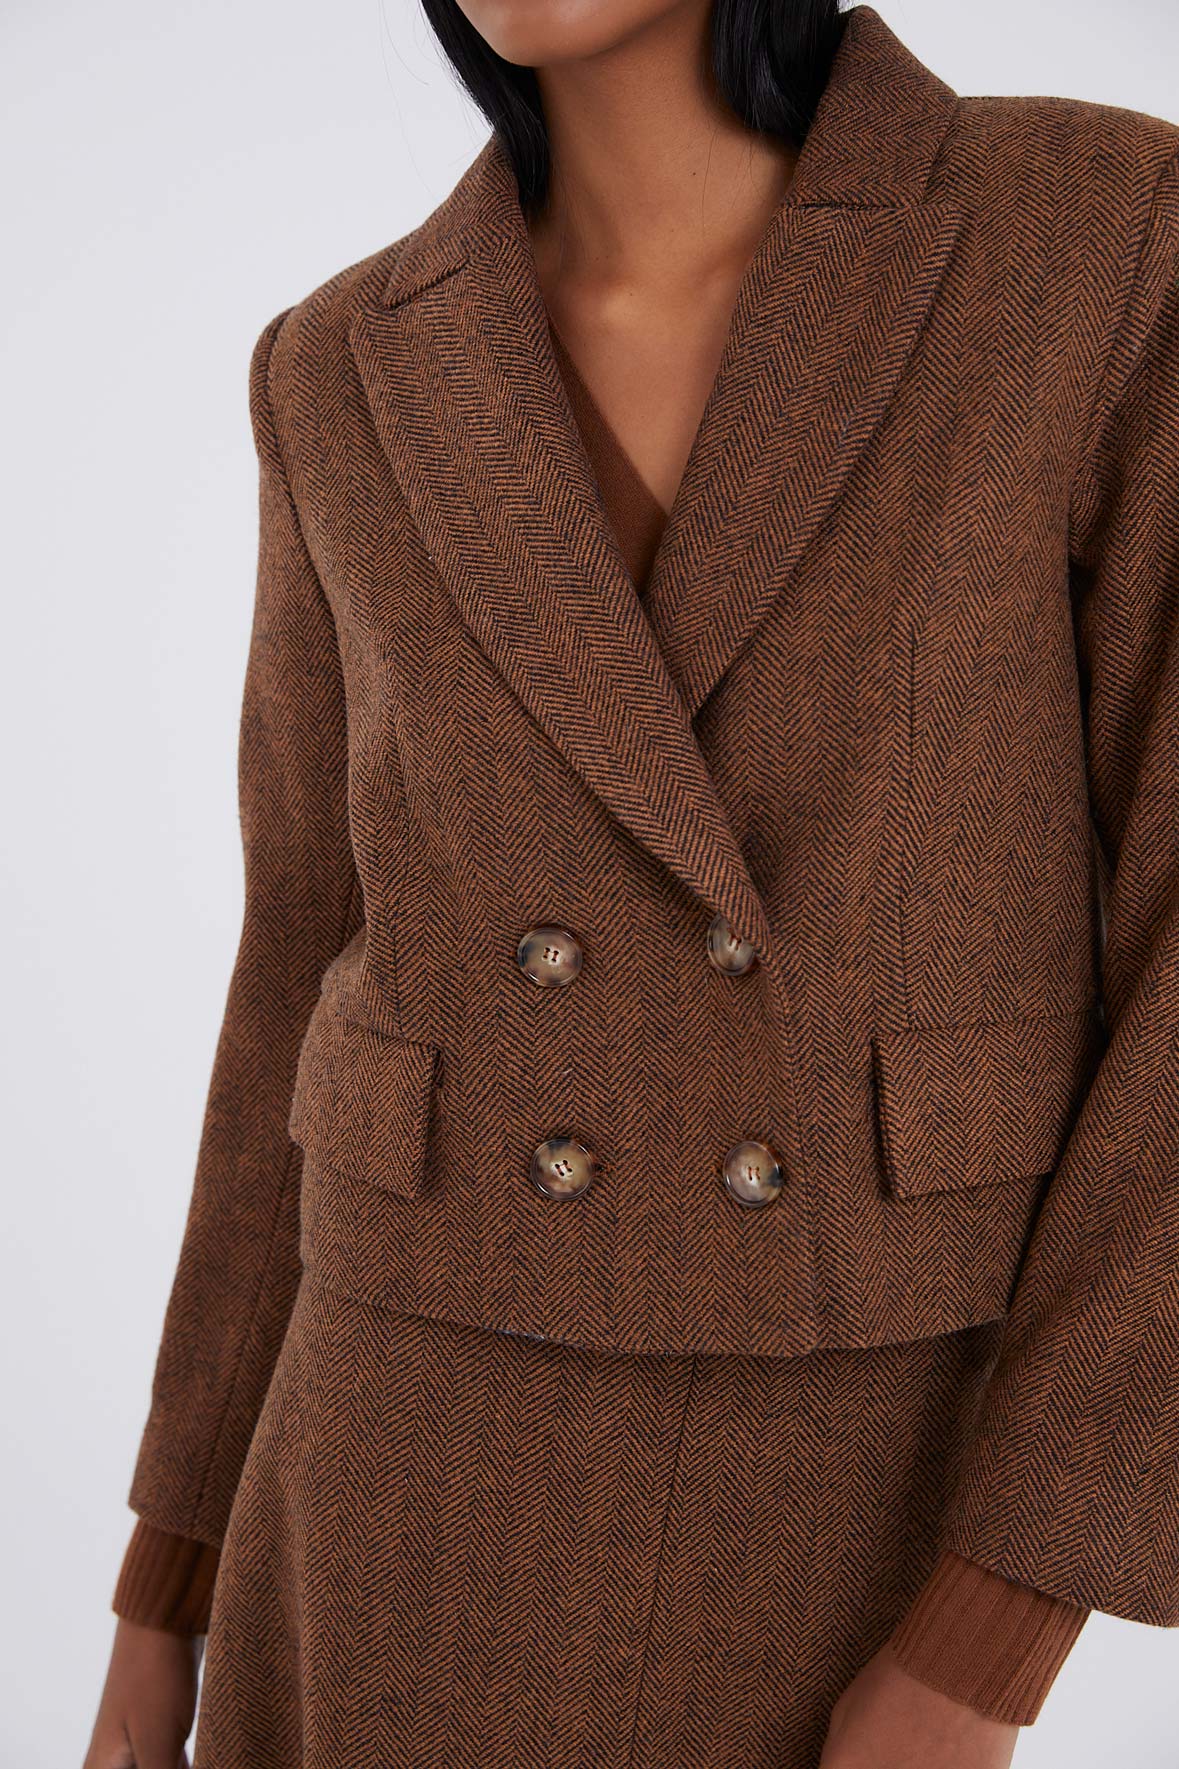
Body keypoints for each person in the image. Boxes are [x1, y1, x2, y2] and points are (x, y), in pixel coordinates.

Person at [83, 3, 1179, 1766]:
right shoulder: (340, 363)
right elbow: (298, 962)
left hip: (849, 1454)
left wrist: (995, 1625)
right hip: (378, 1452)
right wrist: (167, 1587)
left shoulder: (1089, 233)